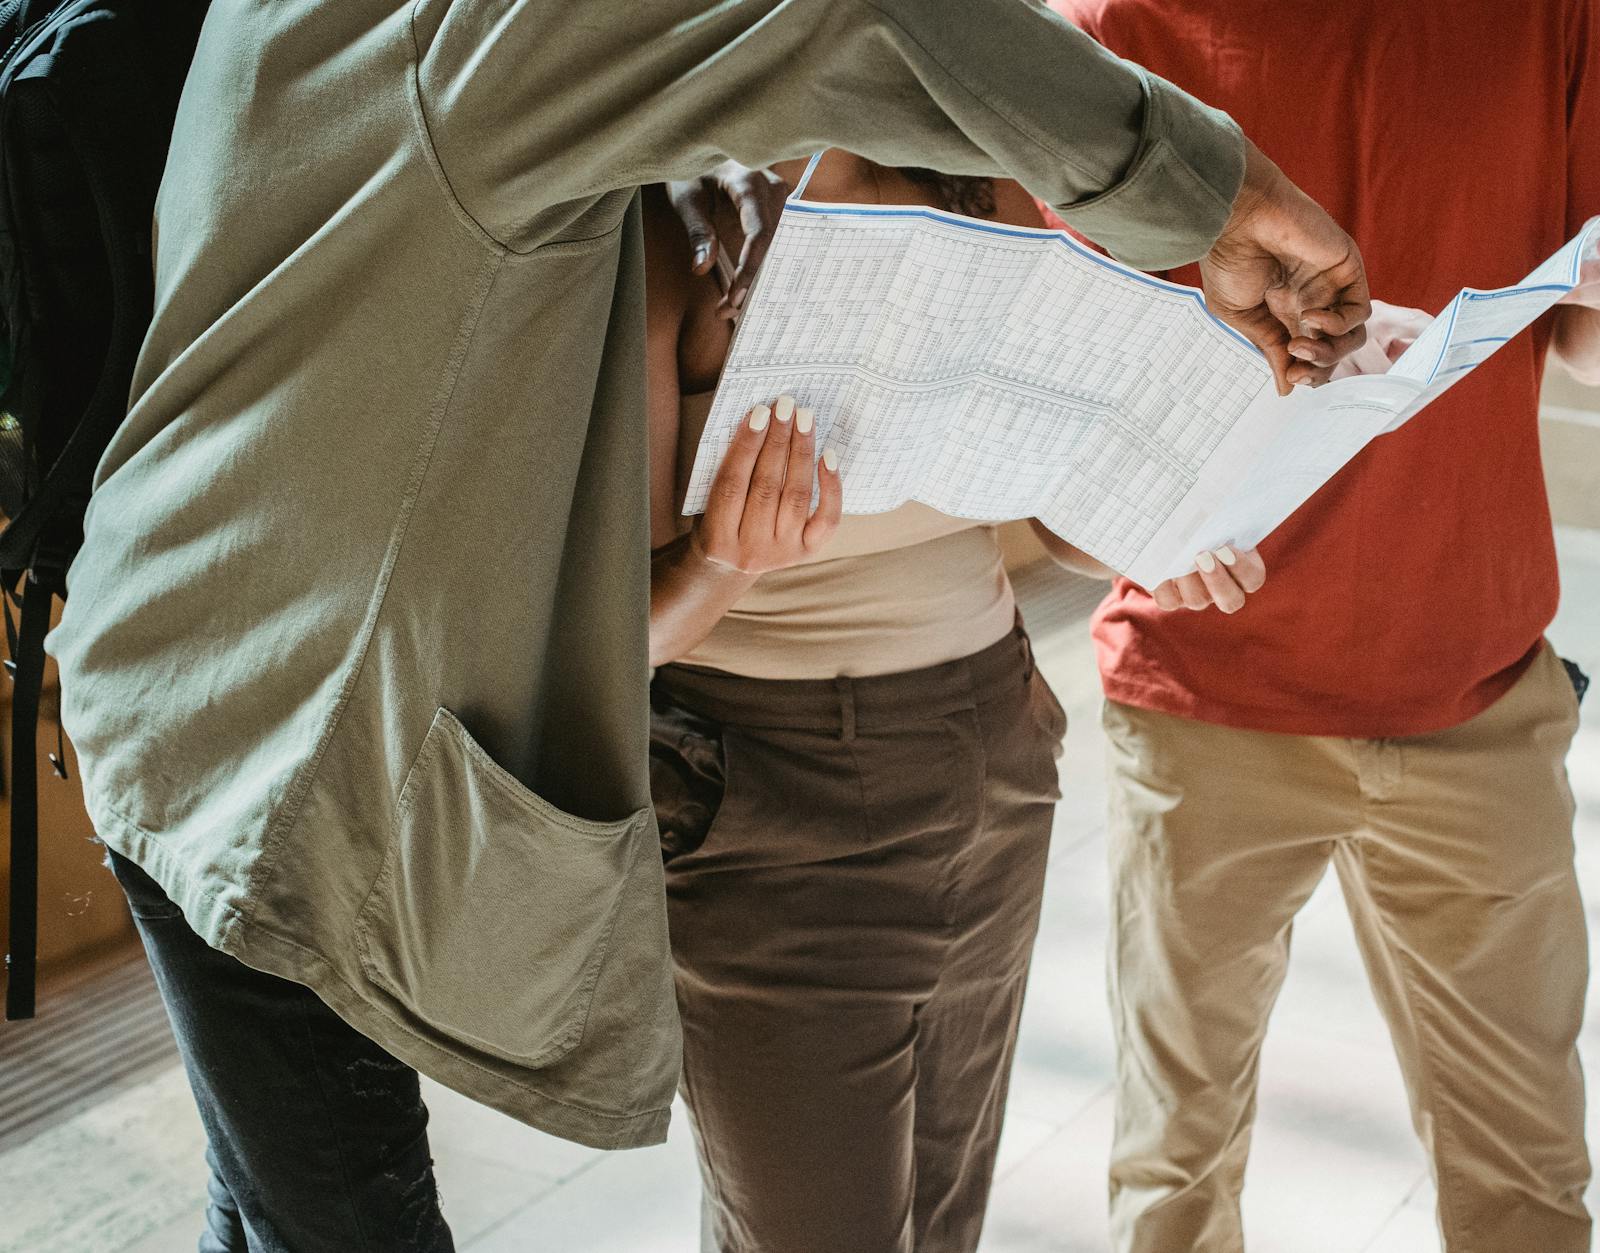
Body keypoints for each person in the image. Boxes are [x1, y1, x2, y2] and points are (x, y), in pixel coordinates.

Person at [42, 0, 1372, 1247]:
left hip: (220, 672)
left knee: (280, 1201)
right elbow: (842, 24)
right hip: (275, 738)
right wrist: (1221, 194)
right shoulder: (507, 70)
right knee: (343, 1216)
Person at [1043, 2, 1600, 1250]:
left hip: (1476, 683)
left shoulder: (1546, 16)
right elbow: (1070, 383)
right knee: (1169, 1168)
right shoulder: (1115, 19)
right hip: (1204, 692)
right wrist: (1128, 533)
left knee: (1526, 1169)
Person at [642, 153, 1263, 1253]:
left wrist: (1149, 540)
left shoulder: (979, 189)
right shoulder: (662, 224)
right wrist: (721, 565)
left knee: (942, 1218)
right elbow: (590, 637)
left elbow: (1050, 502)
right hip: (766, 802)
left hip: (991, 753)